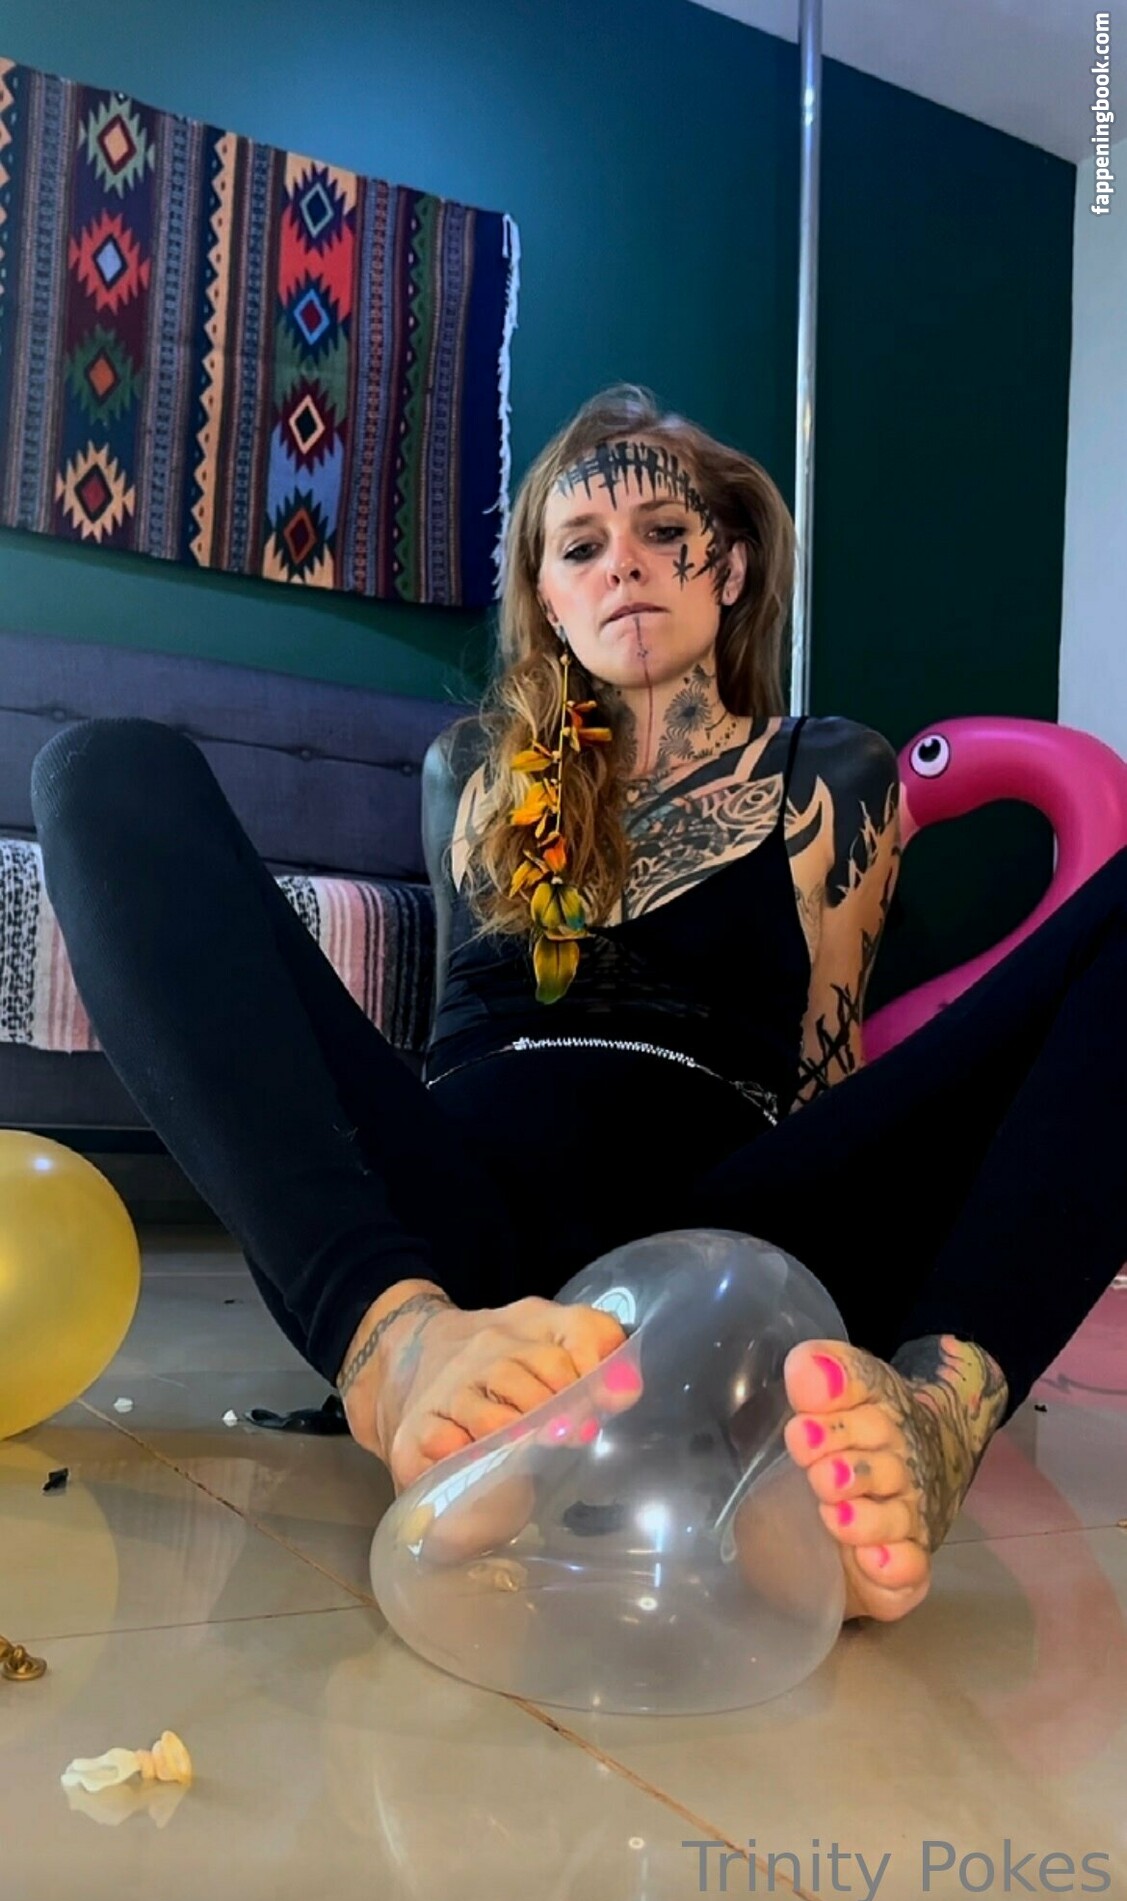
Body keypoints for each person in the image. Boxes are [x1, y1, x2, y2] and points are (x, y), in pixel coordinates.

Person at [31, 384, 1127, 1629]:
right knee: (103, 769)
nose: (624, 567)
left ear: (730, 568)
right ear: (547, 599)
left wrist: (820, 1284)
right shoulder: (472, 771)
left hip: (729, 1234)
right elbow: (452, 1030)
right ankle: (399, 1349)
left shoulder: (830, 767)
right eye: (581, 546)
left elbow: (823, 1069)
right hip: (470, 1238)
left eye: (664, 533)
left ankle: (930, 1419)